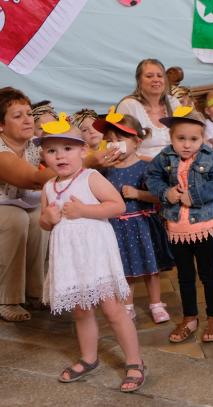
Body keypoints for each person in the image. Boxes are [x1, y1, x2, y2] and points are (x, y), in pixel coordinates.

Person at [37, 127, 144, 392]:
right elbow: (45, 221)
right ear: (44, 157)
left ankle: (135, 361)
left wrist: (83, 210)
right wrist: (47, 220)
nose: (60, 156)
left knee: (112, 309)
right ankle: (89, 357)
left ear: (83, 151)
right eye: (52, 150)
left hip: (95, 254)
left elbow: (117, 205)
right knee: (81, 310)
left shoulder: (90, 177)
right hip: (69, 258)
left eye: (68, 149)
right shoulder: (48, 187)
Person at [145, 110, 213, 344]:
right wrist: (165, 193)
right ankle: (190, 318)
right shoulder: (164, 157)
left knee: (208, 274)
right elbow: (152, 177)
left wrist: (197, 196)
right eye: (181, 138)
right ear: (171, 138)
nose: (187, 144)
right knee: (184, 276)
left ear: (202, 139)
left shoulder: (208, 157)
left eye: (194, 139)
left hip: (204, 227)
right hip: (176, 227)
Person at [94, 113, 171, 324]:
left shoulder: (147, 168)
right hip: (117, 227)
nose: (114, 145)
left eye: (120, 139)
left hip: (143, 224)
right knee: (124, 268)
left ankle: (156, 303)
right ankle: (127, 305)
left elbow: (161, 196)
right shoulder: (103, 171)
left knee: (151, 267)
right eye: (109, 141)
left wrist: (139, 194)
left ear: (137, 141)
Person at [0, 87, 53, 322]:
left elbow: (59, 155)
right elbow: (31, 178)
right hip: (6, 208)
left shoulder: (34, 144)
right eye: (17, 115)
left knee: (39, 217)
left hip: (17, 203)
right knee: (16, 218)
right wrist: (85, 164)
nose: (27, 120)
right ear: (1, 125)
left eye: (29, 114)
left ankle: (35, 292)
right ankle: (7, 299)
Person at [117, 58, 181, 161]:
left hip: (177, 164)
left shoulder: (173, 102)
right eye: (149, 76)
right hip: (143, 167)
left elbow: (187, 136)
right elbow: (123, 148)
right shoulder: (128, 106)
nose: (156, 79)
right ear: (139, 80)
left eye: (160, 76)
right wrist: (158, 164)